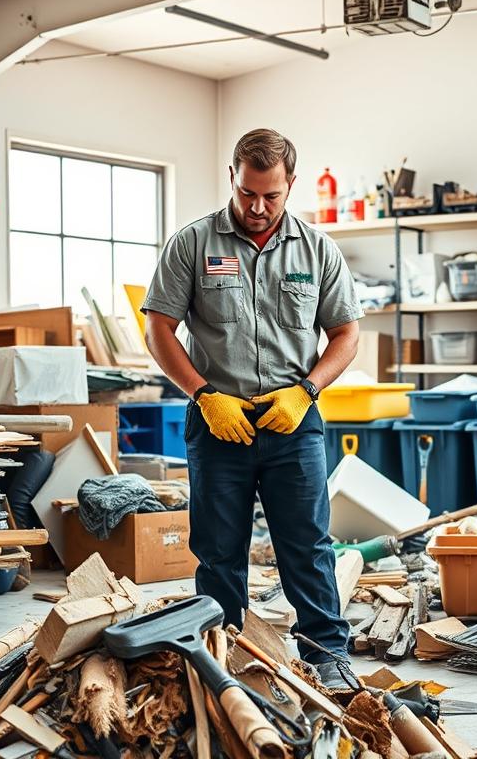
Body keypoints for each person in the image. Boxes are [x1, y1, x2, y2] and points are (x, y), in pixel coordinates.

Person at [142, 128, 363, 687]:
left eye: (271, 195)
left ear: (291, 185)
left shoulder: (318, 250)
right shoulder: (191, 244)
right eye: (247, 194)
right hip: (219, 422)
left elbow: (345, 335)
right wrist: (203, 394)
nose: (258, 207)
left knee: (308, 546)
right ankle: (221, 654)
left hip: (293, 420)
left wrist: (307, 389)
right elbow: (160, 331)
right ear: (232, 179)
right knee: (218, 551)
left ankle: (325, 656)